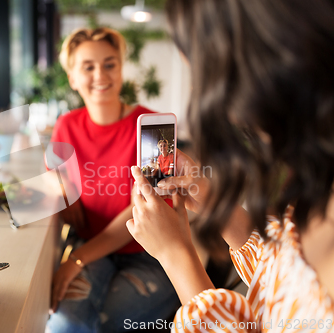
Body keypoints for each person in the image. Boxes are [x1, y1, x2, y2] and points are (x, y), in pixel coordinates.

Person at [126, 0, 334, 332]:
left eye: (202, 76)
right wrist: (210, 200)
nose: (198, 93)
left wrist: (176, 255)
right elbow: (279, 277)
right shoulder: (316, 184)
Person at [46, 27, 179, 333]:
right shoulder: (65, 126)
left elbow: (144, 211)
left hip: (151, 254)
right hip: (94, 250)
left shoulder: (155, 129)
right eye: (87, 67)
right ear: (73, 78)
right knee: (66, 323)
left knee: (114, 322)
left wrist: (76, 260)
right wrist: (63, 195)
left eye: (109, 64)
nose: (100, 75)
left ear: (121, 69)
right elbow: (55, 187)